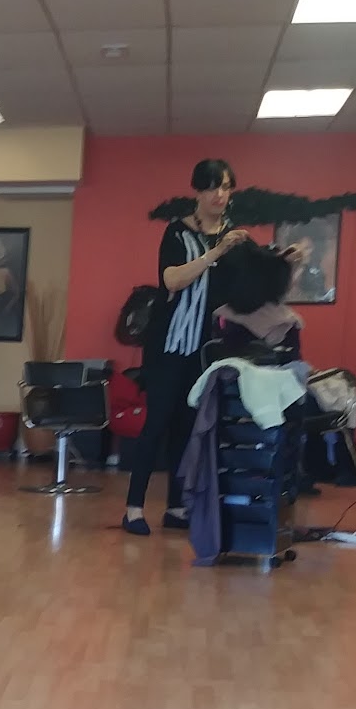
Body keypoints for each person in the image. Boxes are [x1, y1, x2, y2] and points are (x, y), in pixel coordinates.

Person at [123, 158, 250, 536]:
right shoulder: (177, 233)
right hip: (169, 346)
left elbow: (247, 289)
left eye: (226, 187)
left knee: (186, 427)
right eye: (212, 187)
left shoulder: (233, 237)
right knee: (157, 424)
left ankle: (176, 506)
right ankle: (133, 508)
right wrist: (214, 253)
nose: (219, 194)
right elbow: (172, 280)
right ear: (198, 191)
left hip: (205, 351)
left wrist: (286, 261)